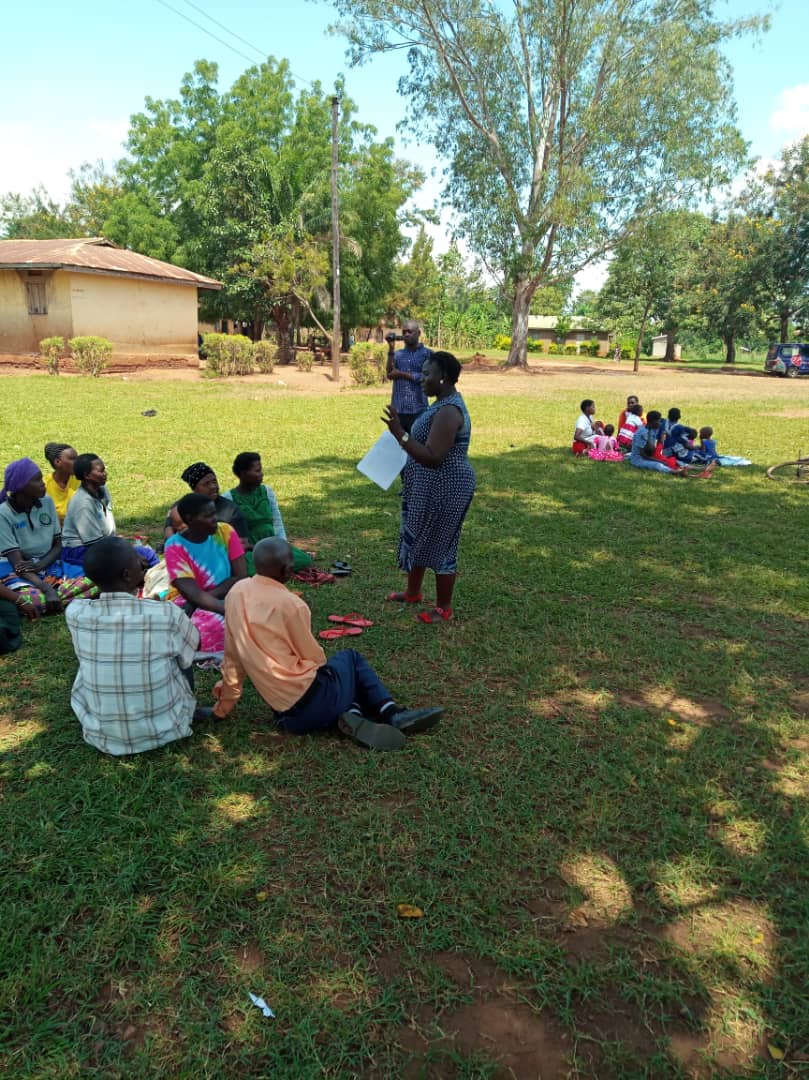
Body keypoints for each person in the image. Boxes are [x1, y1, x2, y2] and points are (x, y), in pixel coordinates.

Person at [212, 538, 443, 750]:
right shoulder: (291, 604)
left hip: (288, 718)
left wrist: (223, 706)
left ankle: (353, 714)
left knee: (342, 678)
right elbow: (314, 658)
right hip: (315, 699)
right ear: (287, 570)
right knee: (349, 660)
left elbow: (232, 657)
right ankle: (392, 713)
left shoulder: (236, 594)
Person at [65, 537, 213, 756]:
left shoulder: (75, 612)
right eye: (137, 560)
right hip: (168, 729)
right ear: (127, 575)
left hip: (101, 733)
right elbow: (191, 647)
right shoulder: (165, 613)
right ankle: (186, 713)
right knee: (181, 653)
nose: (143, 562)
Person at [382, 350, 476, 624]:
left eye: (426, 374)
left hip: (447, 487)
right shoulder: (440, 403)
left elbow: (434, 457)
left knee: (441, 543)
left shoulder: (449, 411)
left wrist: (400, 433)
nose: (420, 379)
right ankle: (413, 593)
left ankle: (444, 607)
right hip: (428, 486)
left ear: (443, 377)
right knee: (420, 535)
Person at [164, 492, 247, 654]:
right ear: (189, 520)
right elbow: (191, 593)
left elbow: (241, 577)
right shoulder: (174, 546)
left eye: (214, 513)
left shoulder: (226, 532)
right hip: (189, 602)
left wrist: (205, 600)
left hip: (226, 594)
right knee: (208, 626)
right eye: (208, 516)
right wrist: (228, 610)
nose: (215, 518)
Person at [61, 453, 158, 576]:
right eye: (101, 471)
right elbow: (96, 545)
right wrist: (130, 553)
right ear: (87, 475)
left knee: (147, 555)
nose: (105, 474)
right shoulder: (82, 503)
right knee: (126, 565)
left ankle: (155, 582)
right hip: (82, 550)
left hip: (105, 544)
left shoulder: (102, 490)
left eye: (104, 470)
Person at [223, 452, 312, 574]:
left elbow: (277, 519)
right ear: (243, 474)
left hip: (273, 543)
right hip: (251, 549)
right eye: (257, 471)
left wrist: (283, 544)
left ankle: (271, 568)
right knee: (249, 570)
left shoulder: (266, 491)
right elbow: (229, 531)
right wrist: (246, 546)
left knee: (303, 560)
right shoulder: (229, 498)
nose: (261, 474)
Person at [0, 457, 68, 613]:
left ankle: (54, 596)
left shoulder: (47, 502)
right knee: (35, 600)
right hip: (16, 568)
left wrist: (41, 564)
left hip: (48, 562)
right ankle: (57, 595)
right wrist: (48, 590)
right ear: (21, 487)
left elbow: (58, 544)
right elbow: (18, 565)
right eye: (37, 480)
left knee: (98, 575)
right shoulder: (3, 513)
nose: (43, 483)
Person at [164, 461, 248, 544]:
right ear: (194, 489)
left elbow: (243, 542)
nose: (213, 486)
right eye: (206, 484)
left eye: (214, 482)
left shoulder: (231, 509)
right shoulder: (182, 507)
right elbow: (169, 531)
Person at [386, 320, 432, 434]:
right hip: (399, 409)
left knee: (418, 444)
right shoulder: (397, 354)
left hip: (418, 409)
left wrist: (402, 374)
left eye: (410, 331)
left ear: (419, 333)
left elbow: (428, 377)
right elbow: (389, 374)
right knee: (400, 446)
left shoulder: (428, 354)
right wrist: (391, 349)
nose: (406, 334)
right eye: (404, 332)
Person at [43, 442, 79, 524]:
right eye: (72, 459)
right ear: (58, 462)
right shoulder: (44, 485)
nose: (77, 462)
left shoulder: (81, 479)